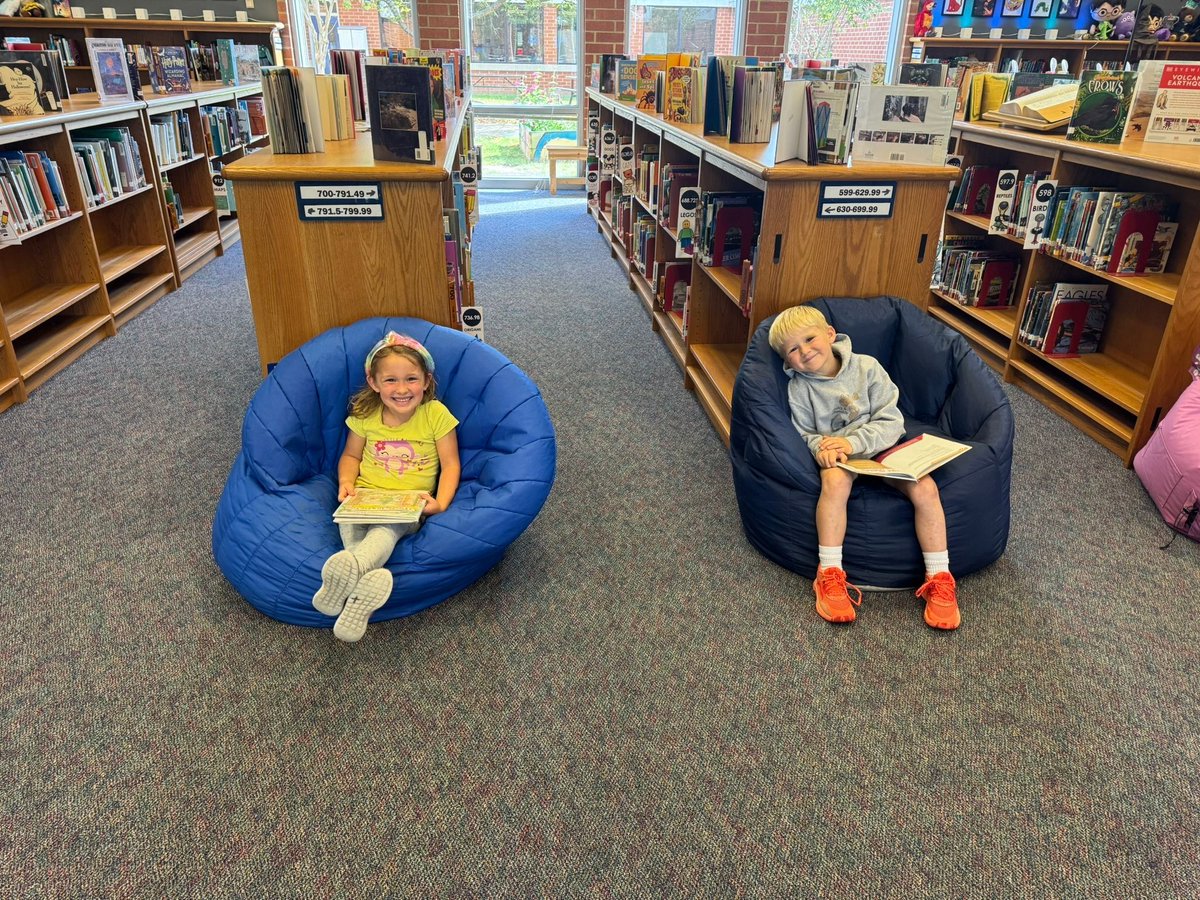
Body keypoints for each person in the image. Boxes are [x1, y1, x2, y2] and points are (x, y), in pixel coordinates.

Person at [767, 305, 961, 630]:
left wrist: (853, 443)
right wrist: (822, 450)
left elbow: (892, 420)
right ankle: (828, 573)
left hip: (883, 447)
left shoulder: (867, 367)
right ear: (787, 361)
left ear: (830, 334)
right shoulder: (799, 389)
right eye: (793, 350)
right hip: (841, 457)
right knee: (833, 483)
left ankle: (940, 575)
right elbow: (805, 433)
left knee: (925, 487)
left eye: (810, 339)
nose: (805, 351)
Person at [312, 332, 461, 642]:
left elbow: (451, 465)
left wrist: (441, 503)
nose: (402, 389)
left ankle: (352, 567)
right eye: (391, 380)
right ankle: (361, 592)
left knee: (385, 531)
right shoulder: (365, 416)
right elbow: (351, 455)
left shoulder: (435, 414)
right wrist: (346, 483)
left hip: (406, 503)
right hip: (365, 497)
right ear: (374, 382)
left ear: (426, 381)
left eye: (411, 379)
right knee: (350, 525)